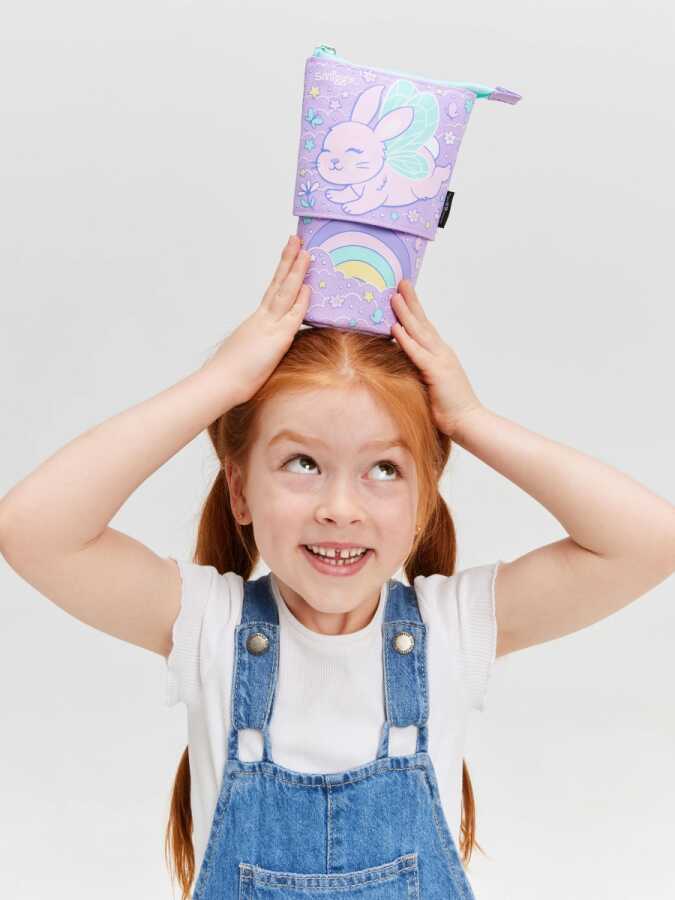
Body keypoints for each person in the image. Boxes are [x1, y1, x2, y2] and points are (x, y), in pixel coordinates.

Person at [1, 235, 673, 899]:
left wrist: (470, 420)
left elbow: (647, 541)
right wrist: (219, 385)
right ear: (239, 489)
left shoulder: (451, 629)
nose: (340, 508)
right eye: (302, 463)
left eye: (384, 468)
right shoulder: (209, 626)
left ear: (423, 500)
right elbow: (33, 529)